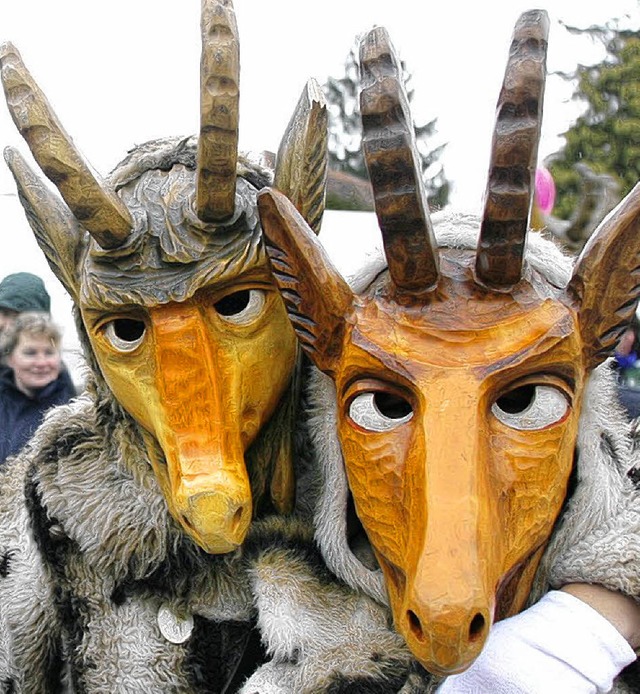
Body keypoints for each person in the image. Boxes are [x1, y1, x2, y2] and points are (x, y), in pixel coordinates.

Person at [0, 312, 76, 466]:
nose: (41, 363)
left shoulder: (74, 414)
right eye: (30, 353)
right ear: (10, 358)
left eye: (49, 353)